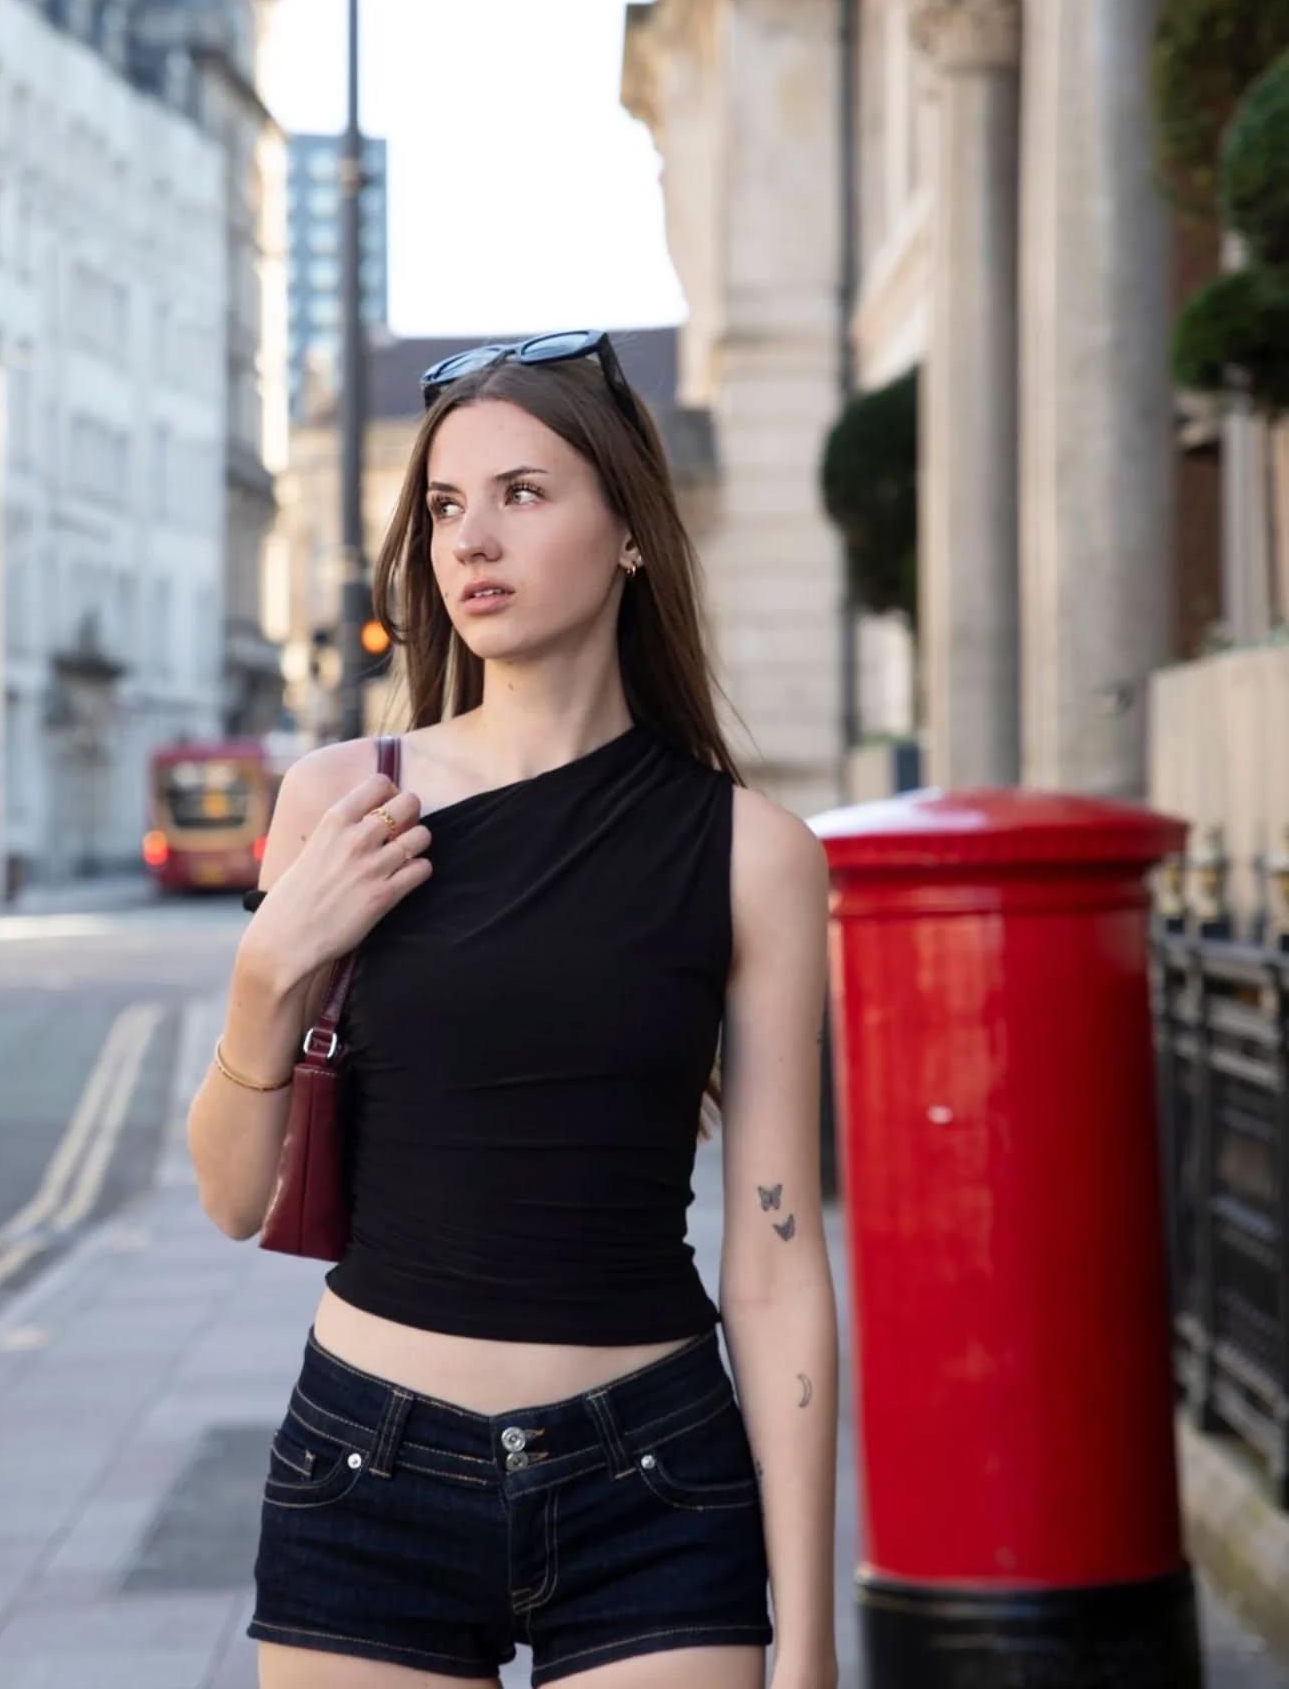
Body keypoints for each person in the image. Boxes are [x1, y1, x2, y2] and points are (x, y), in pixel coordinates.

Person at [186, 331, 839, 1689]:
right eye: (444, 506)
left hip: (653, 1478)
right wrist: (266, 973)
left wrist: (813, 1641)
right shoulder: (343, 800)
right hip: (368, 1470)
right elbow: (235, 1199)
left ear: (632, 533)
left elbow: (777, 1266)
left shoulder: (752, 853)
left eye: (522, 494)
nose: (470, 540)